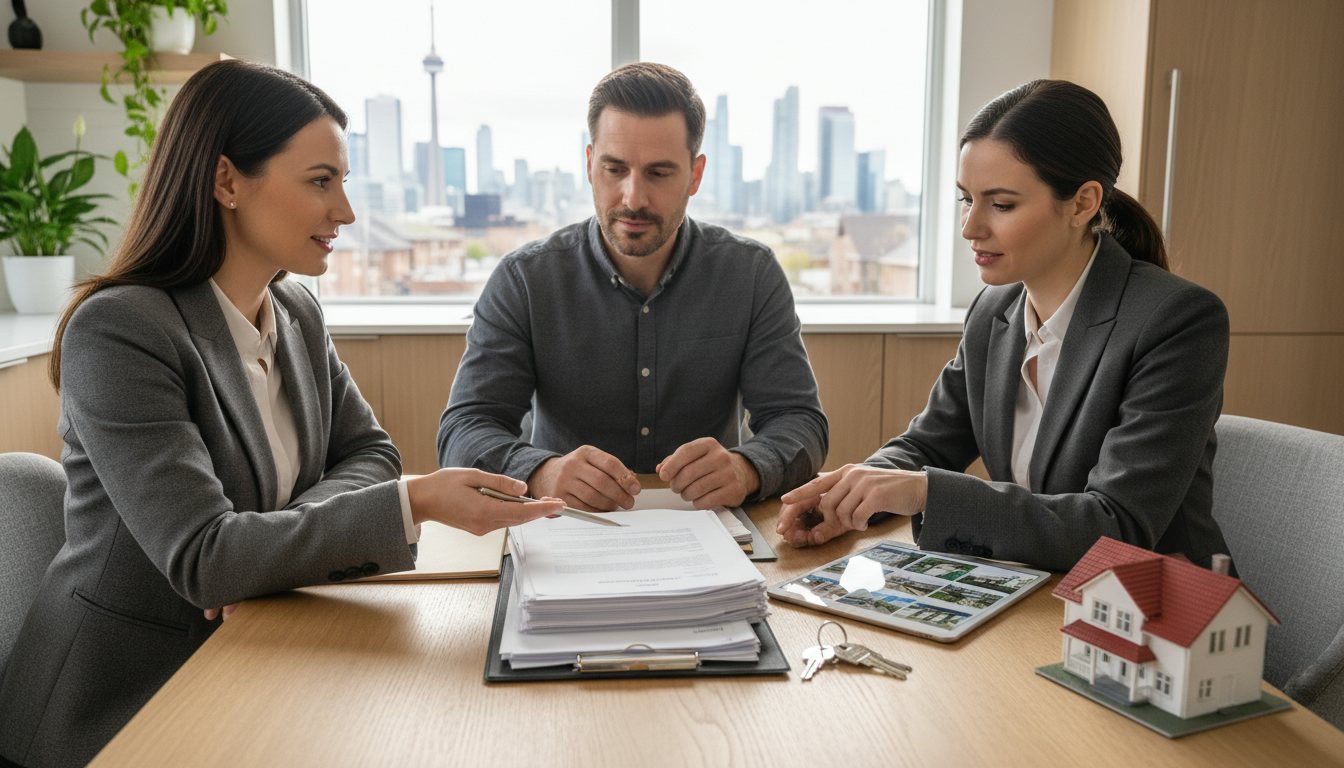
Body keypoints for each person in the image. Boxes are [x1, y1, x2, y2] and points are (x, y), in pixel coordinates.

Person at [0, 60, 562, 768]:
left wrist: (265, 550)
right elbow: (205, 559)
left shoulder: (293, 308)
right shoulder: (121, 332)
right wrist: (411, 504)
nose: (347, 213)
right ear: (227, 181)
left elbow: (371, 454)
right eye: (320, 182)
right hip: (120, 701)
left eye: (345, 183)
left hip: (255, 650)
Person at [776, 80, 1233, 572]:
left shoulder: (1176, 322)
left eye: (1002, 204)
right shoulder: (995, 308)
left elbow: (1116, 526)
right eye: (966, 200)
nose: (971, 228)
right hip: (1034, 587)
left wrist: (926, 492)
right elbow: (930, 444)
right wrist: (856, 491)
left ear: (1082, 203)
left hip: (1148, 610)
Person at [438, 62, 827, 513]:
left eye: (658, 173)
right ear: (589, 165)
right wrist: (541, 471)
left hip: (712, 535)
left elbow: (800, 422)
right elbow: (464, 430)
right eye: (615, 169)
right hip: (565, 527)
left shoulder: (751, 274)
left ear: (695, 175)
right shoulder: (524, 279)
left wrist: (747, 468)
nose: (633, 198)